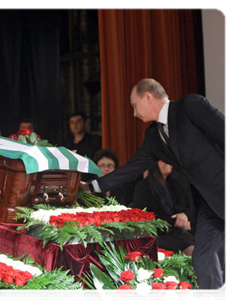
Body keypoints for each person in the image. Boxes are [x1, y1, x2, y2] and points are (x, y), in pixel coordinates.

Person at [89, 78, 228, 300]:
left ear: (148, 97)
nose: (134, 113)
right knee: (204, 258)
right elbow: (132, 167)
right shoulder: (153, 136)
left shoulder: (190, 106)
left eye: (134, 105)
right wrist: (92, 186)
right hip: (209, 206)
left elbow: (226, 135)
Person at [132, 160, 195, 256]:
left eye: (168, 159)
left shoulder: (176, 183)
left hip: (177, 233)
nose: (167, 163)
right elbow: (144, 220)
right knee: (192, 249)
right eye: (163, 160)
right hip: (157, 235)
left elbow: (187, 206)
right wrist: (176, 221)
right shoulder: (143, 186)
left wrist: (184, 215)